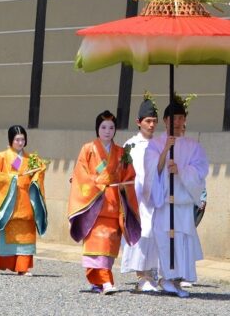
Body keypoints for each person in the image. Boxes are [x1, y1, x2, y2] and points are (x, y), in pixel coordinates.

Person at [142, 97, 209, 298]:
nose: (177, 122)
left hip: (182, 204)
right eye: (173, 118)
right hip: (165, 204)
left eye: (181, 118)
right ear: (165, 121)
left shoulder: (193, 146)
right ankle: (166, 278)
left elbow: (200, 170)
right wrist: (165, 151)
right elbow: (151, 170)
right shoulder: (155, 144)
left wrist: (181, 171)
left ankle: (177, 280)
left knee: (183, 242)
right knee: (165, 240)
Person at [68, 110, 138, 295]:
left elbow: (129, 176)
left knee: (109, 244)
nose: (107, 131)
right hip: (94, 205)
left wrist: (123, 184)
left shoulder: (121, 152)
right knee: (97, 244)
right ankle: (106, 282)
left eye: (111, 128)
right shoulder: (88, 149)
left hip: (113, 204)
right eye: (104, 127)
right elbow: (80, 174)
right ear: (97, 129)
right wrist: (97, 181)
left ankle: (97, 281)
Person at [0, 125, 48, 276]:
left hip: (26, 200)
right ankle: (1, 260)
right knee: (8, 236)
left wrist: (38, 173)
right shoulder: (0, 157)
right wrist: (12, 178)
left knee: (26, 235)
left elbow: (39, 173)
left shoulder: (32, 159)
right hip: (9, 202)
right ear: (10, 140)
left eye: (22, 139)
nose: (20, 143)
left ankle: (23, 267)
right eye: (17, 140)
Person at [119, 96, 160, 292]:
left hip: (156, 196)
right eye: (148, 121)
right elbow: (124, 172)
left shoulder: (160, 145)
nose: (151, 125)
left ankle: (151, 273)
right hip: (137, 197)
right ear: (138, 122)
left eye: (154, 121)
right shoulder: (130, 145)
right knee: (141, 232)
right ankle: (141, 274)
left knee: (155, 233)